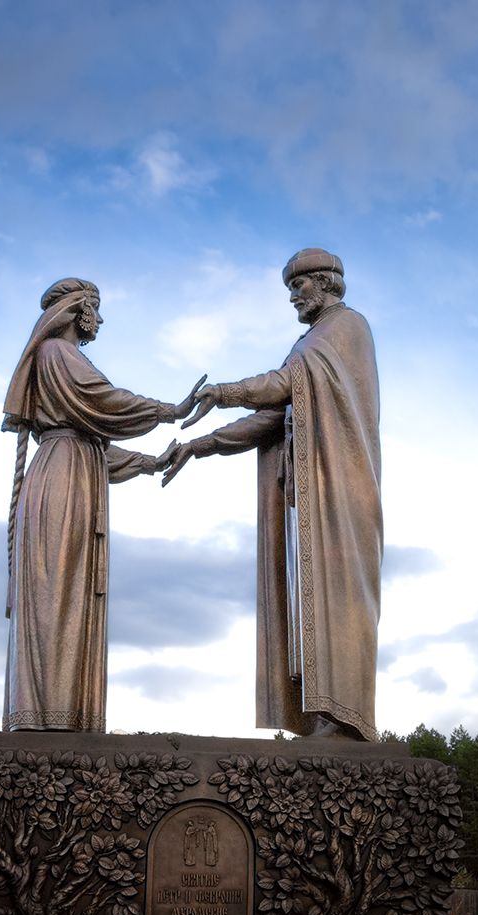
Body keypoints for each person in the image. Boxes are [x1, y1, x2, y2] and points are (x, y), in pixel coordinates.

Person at [162, 248, 382, 741]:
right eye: (290, 288)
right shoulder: (309, 342)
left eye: (298, 286)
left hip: (340, 493)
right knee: (308, 598)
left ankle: (346, 720)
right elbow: (270, 419)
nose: (293, 297)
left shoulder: (346, 329)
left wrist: (223, 390)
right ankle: (324, 717)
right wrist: (200, 445)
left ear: (325, 282)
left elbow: (281, 385)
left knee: (338, 594)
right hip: (308, 494)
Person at [1, 277, 192, 732]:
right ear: (78, 309)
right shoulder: (57, 354)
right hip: (60, 485)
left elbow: (96, 446)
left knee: (70, 593)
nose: (101, 319)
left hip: (72, 473)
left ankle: (65, 717)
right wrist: (169, 409)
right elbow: (103, 402)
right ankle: (45, 719)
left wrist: (150, 461)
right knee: (56, 595)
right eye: (97, 309)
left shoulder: (66, 377)